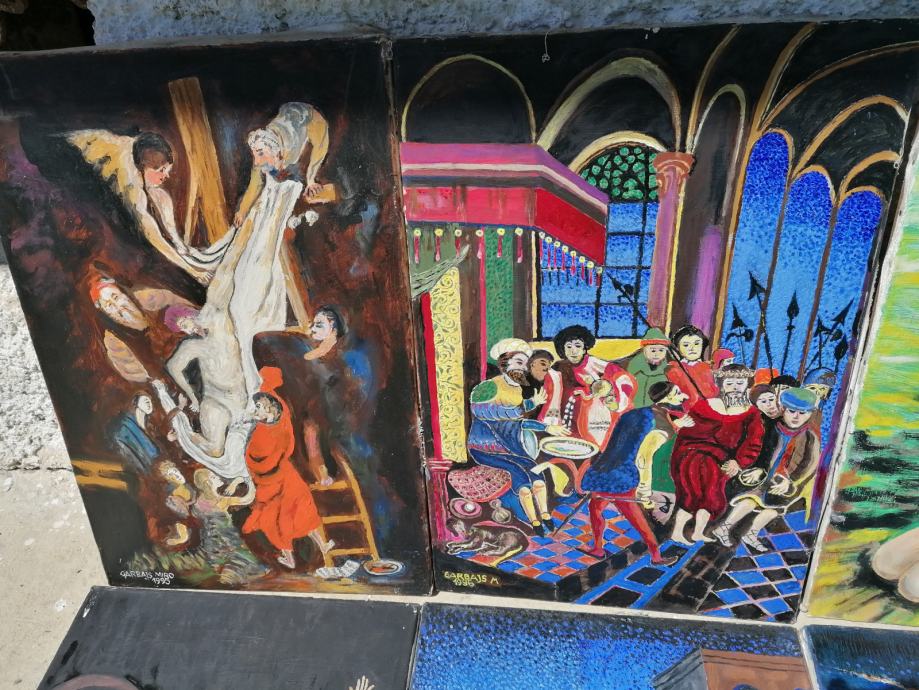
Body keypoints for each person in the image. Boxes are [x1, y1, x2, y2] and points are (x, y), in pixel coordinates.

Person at [467, 338, 571, 536]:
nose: (522, 368)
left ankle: (545, 515)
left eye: (525, 364)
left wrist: (547, 427)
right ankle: (534, 521)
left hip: (512, 445)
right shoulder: (487, 387)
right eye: (518, 362)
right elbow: (485, 412)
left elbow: (517, 422)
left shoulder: (517, 390)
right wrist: (527, 406)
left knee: (536, 472)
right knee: (520, 475)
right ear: (504, 363)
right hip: (486, 448)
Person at [580, 381, 690, 564]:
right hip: (623, 477)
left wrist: (676, 424)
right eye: (678, 392)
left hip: (603, 470)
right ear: (667, 397)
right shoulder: (662, 425)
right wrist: (644, 492)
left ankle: (598, 548)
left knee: (596, 508)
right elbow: (643, 458)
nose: (684, 396)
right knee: (637, 519)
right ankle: (656, 556)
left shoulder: (636, 413)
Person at [713, 388, 820, 552]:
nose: (796, 417)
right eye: (792, 411)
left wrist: (790, 480)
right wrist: (758, 468)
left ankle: (751, 533)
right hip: (763, 474)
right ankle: (724, 528)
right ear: (782, 409)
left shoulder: (809, 436)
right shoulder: (770, 427)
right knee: (751, 500)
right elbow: (760, 451)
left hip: (784, 481)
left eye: (803, 413)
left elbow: (810, 463)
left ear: (810, 414)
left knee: (774, 510)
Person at [668, 363, 764, 545]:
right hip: (693, 456)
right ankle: (677, 531)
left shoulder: (751, 413)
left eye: (740, 383)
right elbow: (687, 434)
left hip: (722, 461)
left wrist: (739, 462)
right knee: (691, 494)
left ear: (747, 385)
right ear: (721, 385)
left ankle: (698, 532)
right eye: (729, 383)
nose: (734, 387)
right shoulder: (704, 406)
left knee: (712, 497)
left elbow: (753, 442)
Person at [540, 324, 636, 446]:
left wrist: (603, 390)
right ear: (563, 349)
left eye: (578, 346)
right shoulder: (557, 368)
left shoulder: (593, 363)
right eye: (568, 346)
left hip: (591, 419)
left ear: (585, 348)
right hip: (564, 418)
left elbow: (622, 378)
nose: (573, 351)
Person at [665, 324, 718, 410]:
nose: (692, 348)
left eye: (697, 344)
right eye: (686, 345)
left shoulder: (709, 368)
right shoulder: (673, 369)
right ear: (677, 348)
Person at [107, 391, 159, 475]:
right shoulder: (125, 426)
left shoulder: (151, 429)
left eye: (150, 401)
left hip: (155, 470)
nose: (149, 402)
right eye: (145, 400)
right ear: (136, 403)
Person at [627, 327, 671, 408]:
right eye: (653, 350)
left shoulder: (665, 372)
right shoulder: (635, 369)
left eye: (661, 350)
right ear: (644, 350)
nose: (657, 354)